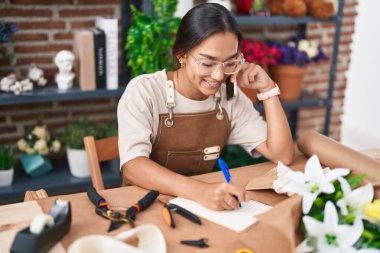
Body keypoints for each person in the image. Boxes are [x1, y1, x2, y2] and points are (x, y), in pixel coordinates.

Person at [118, 3, 294, 211]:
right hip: (144, 205)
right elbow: (133, 166)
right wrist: (200, 191)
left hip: (201, 207)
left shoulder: (229, 97)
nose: (219, 76)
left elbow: (283, 155)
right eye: (207, 63)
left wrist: (268, 90)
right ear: (181, 55)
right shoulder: (145, 91)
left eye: (230, 63)